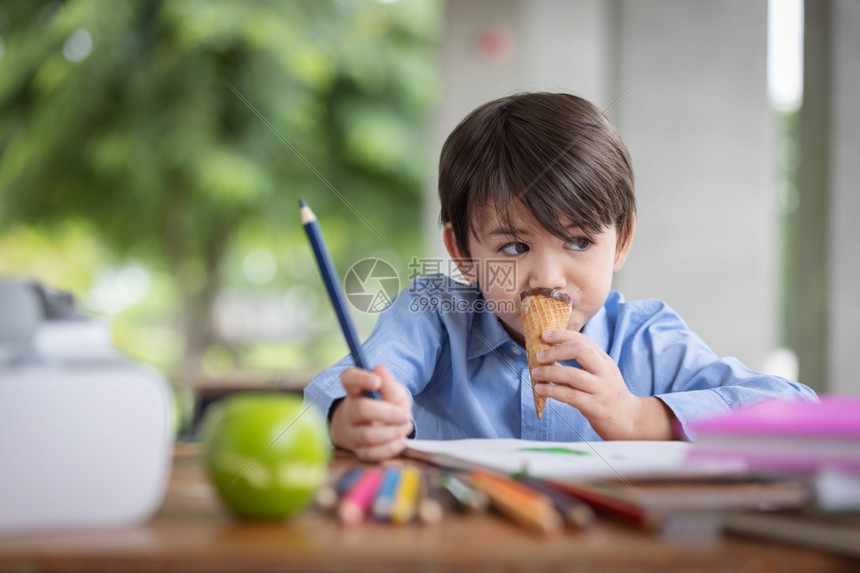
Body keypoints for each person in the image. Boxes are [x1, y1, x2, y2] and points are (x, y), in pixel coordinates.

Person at [303, 92, 817, 462]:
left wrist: (640, 418)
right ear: (462, 251)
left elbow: (795, 410)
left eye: (577, 241)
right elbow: (335, 390)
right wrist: (355, 417)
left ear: (621, 240)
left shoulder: (646, 336)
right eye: (513, 246)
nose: (546, 277)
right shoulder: (437, 318)